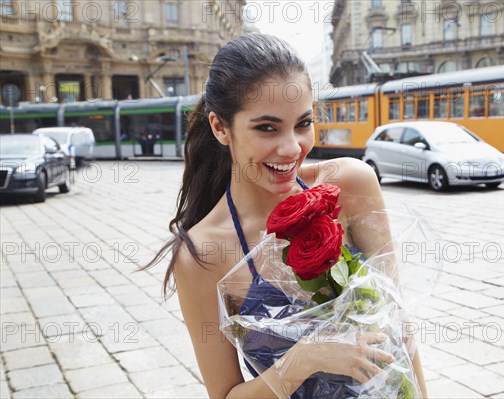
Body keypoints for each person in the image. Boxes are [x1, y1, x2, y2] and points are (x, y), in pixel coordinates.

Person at [145, 33, 428, 398]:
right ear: (220, 128)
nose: (292, 148)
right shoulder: (201, 252)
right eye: (267, 128)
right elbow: (225, 395)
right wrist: (305, 358)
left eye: (303, 124)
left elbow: (400, 325)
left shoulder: (351, 184)